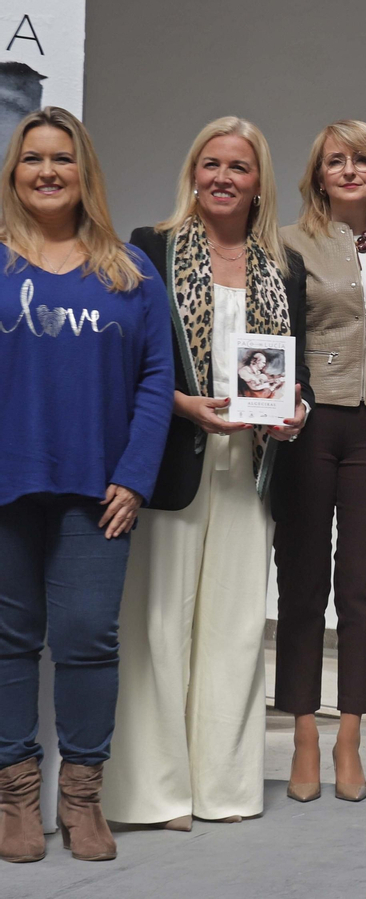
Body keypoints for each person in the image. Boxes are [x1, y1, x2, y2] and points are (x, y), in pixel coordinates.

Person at [103, 116, 311, 829]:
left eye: (240, 167)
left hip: (250, 467)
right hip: (171, 459)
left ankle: (225, 787)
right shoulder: (149, 249)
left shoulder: (284, 266)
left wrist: (296, 411)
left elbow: (297, 371)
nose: (224, 176)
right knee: (158, 626)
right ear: (194, 172)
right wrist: (182, 405)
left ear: (259, 185)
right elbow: (127, 365)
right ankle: (156, 793)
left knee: (234, 628)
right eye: (211, 163)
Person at [0, 107, 173, 864]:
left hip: (100, 492)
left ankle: (81, 800)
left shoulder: (130, 272)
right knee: (7, 643)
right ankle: (13, 797)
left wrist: (134, 478)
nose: (46, 171)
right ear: (14, 173)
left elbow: (156, 381)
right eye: (32, 158)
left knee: (86, 640)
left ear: (84, 172)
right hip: (6, 486)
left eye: (61, 159)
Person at [274, 119, 366, 805]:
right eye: (336, 160)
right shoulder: (286, 243)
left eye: (362, 158)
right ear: (318, 174)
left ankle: (350, 736)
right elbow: (273, 336)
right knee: (302, 581)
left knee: (364, 584)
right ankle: (303, 728)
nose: (350, 169)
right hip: (308, 419)